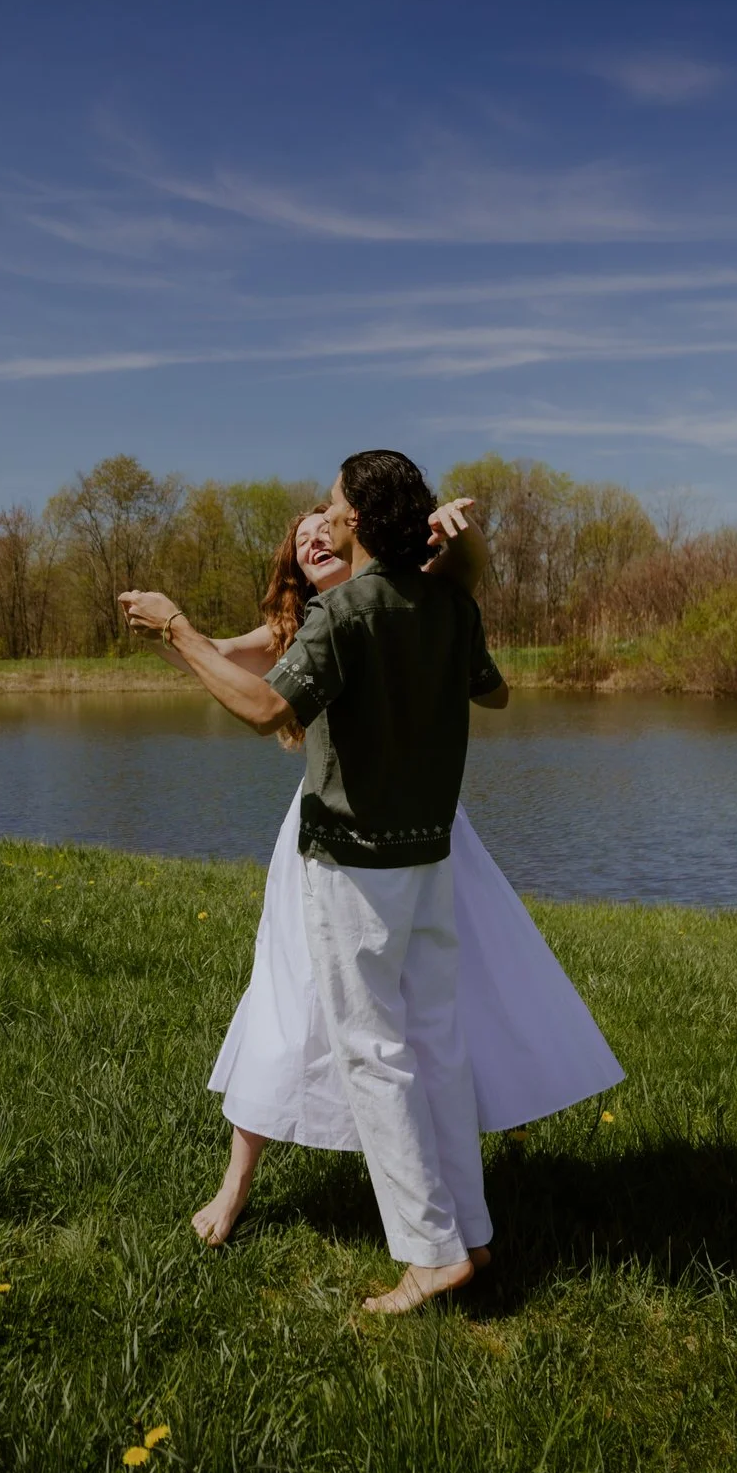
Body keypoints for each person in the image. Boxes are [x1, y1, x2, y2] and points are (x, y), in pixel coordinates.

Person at [121, 450, 619, 1314]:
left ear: (356, 518)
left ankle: (430, 1254)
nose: (323, 515)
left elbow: (264, 710)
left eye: (333, 503)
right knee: (436, 1043)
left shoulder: (342, 614)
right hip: (428, 857)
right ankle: (472, 1231)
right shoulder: (446, 606)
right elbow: (495, 694)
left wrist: (176, 628)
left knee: (374, 1055)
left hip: (353, 865)